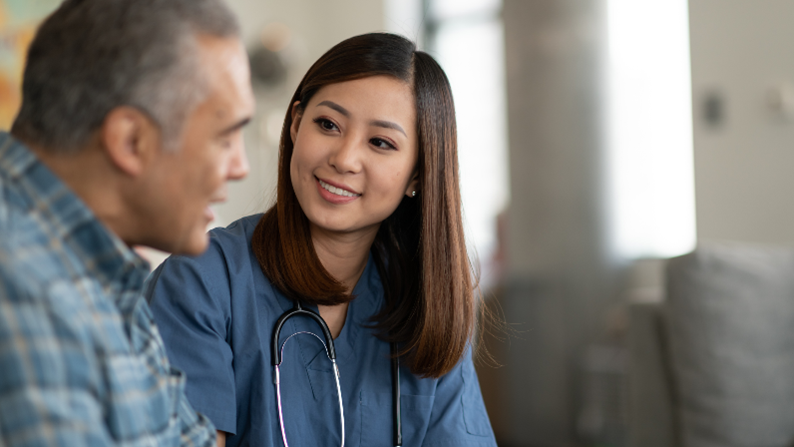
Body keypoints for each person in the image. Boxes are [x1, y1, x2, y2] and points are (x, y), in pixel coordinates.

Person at [146, 32, 498, 446]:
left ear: (417, 175)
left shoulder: (426, 304)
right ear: (296, 123)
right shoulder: (200, 283)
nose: (344, 159)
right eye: (328, 124)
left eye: (381, 142)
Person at [0, 0, 254, 445]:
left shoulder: (105, 273)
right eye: (224, 137)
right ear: (132, 141)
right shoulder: (23, 289)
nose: (241, 166)